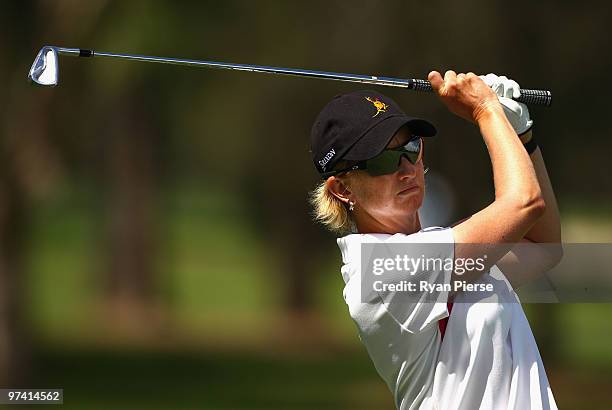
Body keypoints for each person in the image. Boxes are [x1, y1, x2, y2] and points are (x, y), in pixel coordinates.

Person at [308, 71, 562, 409]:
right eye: (383, 159)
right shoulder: (378, 273)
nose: (406, 168)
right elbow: (524, 204)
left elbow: (542, 245)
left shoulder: (440, 246)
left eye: (410, 148)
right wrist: (487, 111)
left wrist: (522, 136)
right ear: (342, 189)